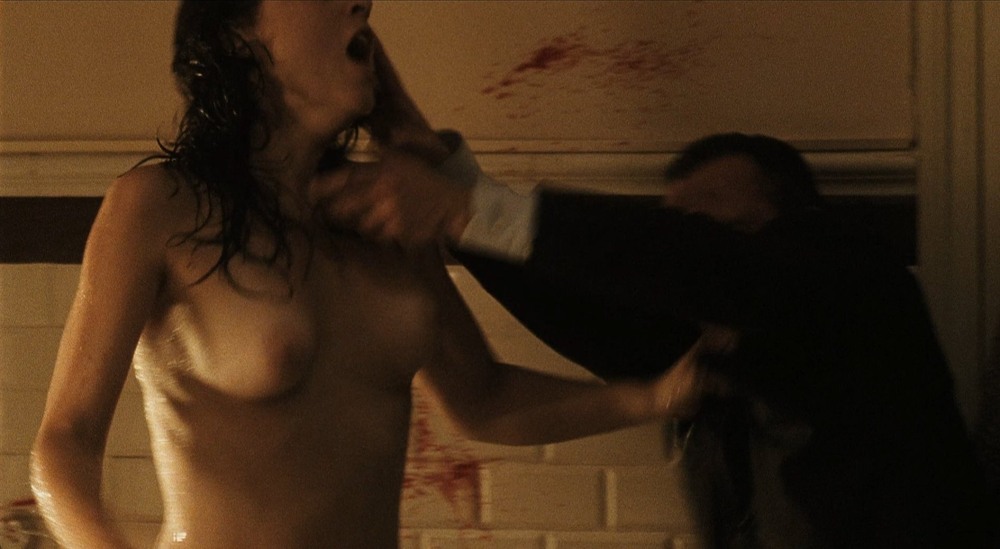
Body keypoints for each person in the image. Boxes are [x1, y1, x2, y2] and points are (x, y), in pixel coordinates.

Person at [28, 2, 730, 548]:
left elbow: (481, 398)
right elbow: (64, 442)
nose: (361, 6)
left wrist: (654, 396)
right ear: (239, 37)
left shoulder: (384, 211)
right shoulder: (160, 205)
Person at [319, 120, 999, 546]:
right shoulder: (717, 334)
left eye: (711, 224)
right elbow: (599, 313)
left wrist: (467, 206)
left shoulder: (857, 280)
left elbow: (707, 267)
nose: (686, 246)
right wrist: (455, 195)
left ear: (798, 221)